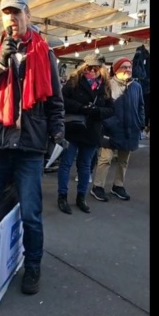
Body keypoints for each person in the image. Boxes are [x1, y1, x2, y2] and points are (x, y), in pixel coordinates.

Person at [0, 0, 64, 295]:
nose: (12, 18)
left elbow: (54, 102)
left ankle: (32, 264)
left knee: (30, 214)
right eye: (6, 13)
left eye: (17, 12)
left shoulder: (44, 52)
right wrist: (0, 63)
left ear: (28, 16)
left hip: (30, 147)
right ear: (2, 19)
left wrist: (57, 135)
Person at [56, 54, 114, 215]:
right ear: (84, 67)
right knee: (66, 164)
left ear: (101, 69)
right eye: (89, 67)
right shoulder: (74, 81)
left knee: (85, 166)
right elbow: (61, 100)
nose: (92, 70)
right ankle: (62, 196)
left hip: (91, 131)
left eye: (96, 68)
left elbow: (111, 109)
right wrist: (81, 107)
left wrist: (97, 111)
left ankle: (81, 197)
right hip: (73, 129)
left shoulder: (105, 86)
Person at [91, 58, 145, 202]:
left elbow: (141, 106)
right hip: (111, 129)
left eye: (129, 67)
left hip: (130, 129)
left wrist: (140, 122)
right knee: (105, 159)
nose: (128, 70)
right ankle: (97, 186)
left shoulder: (136, 87)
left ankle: (118, 185)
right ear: (116, 69)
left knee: (123, 161)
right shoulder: (107, 85)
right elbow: (101, 107)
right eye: (124, 67)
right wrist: (108, 123)